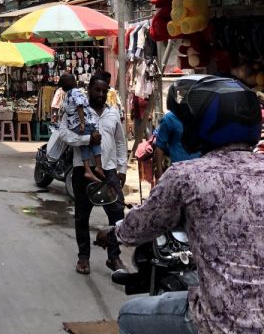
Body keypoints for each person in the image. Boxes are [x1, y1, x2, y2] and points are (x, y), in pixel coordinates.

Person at [95, 75, 263, 334]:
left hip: (218, 323)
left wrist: (114, 233)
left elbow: (143, 224)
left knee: (128, 315)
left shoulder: (186, 175)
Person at [58, 74, 127, 276]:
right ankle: (83, 257)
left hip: (109, 169)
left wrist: (122, 169)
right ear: (88, 89)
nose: (100, 94)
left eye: (104, 91)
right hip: (83, 170)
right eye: (97, 90)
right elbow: (63, 134)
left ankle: (113, 256)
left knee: (116, 213)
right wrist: (87, 139)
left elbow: (120, 142)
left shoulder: (113, 113)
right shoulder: (73, 110)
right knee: (82, 216)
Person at [153, 77, 201, 181]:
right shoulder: (169, 119)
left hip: (200, 170)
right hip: (177, 171)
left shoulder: (201, 117)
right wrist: (160, 171)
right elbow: (159, 146)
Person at [60, 72, 105, 182]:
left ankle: (88, 170)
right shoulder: (76, 92)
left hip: (74, 125)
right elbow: (80, 106)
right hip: (83, 123)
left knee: (84, 145)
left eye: (104, 91)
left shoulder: (67, 96)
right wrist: (83, 122)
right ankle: (98, 167)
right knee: (95, 140)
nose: (101, 94)